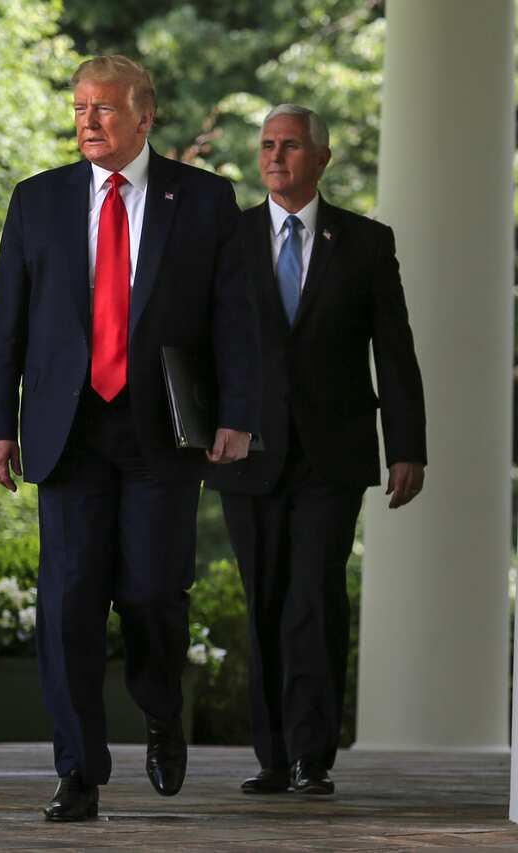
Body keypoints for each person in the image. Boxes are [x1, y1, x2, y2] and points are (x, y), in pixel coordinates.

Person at [0, 55, 259, 822]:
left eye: (104, 110)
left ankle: (162, 709)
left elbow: (234, 318)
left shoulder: (202, 200)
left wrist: (236, 412)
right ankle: (79, 771)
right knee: (67, 603)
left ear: (144, 117)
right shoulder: (37, 201)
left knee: (150, 594)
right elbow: (7, 323)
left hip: (161, 432)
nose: (89, 123)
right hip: (68, 431)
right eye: (79, 110)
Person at [204, 104, 427, 796]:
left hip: (333, 455)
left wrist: (407, 445)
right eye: (268, 146)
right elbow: (195, 343)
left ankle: (312, 756)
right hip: (248, 451)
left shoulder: (365, 243)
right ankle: (271, 756)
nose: (275, 157)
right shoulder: (227, 240)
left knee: (314, 598)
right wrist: (205, 426)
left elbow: (394, 352)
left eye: (291, 146)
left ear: (321, 158)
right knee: (263, 598)